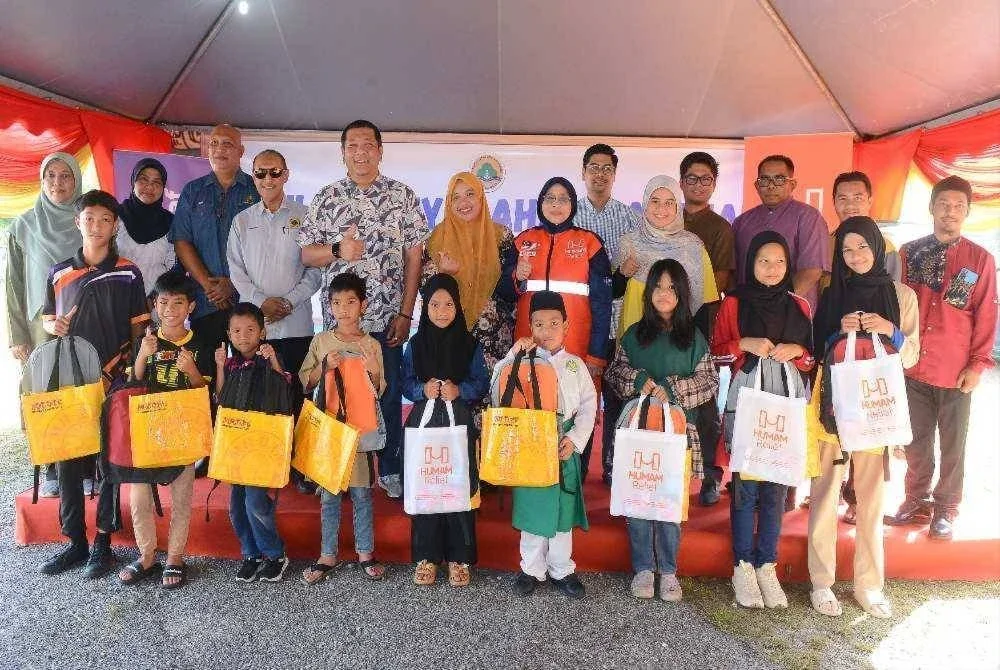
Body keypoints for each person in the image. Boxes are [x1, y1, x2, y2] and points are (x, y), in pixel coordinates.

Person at [299, 120, 429, 499]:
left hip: (387, 321)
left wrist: (406, 313)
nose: (361, 153)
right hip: (340, 325)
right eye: (352, 146)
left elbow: (415, 258)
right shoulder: (327, 198)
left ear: (380, 151)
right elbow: (307, 255)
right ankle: (333, 465)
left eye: (368, 145)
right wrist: (338, 249)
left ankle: (388, 469)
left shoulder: (402, 196)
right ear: (343, 153)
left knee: (386, 394)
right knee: (335, 393)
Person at [809, 216, 919, 619]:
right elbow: (815, 350)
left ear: (877, 248)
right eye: (847, 250)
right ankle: (821, 581)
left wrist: (890, 329)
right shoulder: (832, 292)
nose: (855, 256)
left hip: (875, 407)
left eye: (863, 247)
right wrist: (837, 332)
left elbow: (912, 355)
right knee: (825, 492)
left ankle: (869, 585)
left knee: (871, 499)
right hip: (833, 406)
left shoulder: (902, 295)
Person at [39, 189, 150, 579]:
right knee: (68, 460)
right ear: (78, 222)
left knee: (108, 462)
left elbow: (140, 327)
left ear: (115, 225)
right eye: (89, 218)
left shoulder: (128, 271)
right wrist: (53, 325)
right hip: (70, 380)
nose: (96, 226)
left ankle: (103, 542)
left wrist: (132, 375)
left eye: (105, 219)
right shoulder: (58, 272)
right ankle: (75, 541)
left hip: (113, 379)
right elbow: (47, 318)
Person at [890, 176, 997, 540]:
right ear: (931, 207)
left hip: (955, 369)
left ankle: (946, 508)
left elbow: (987, 315)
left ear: (967, 212)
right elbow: (896, 304)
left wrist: (977, 364)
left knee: (953, 443)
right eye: (944, 204)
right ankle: (915, 500)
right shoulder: (909, 253)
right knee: (915, 440)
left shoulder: (980, 259)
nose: (950, 212)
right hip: (912, 365)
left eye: (958, 206)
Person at [711, 232, 814, 609]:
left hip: (786, 402)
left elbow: (811, 360)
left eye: (779, 261)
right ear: (750, 263)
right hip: (747, 401)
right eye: (763, 261)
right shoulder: (734, 303)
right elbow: (715, 353)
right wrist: (744, 344)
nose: (772, 268)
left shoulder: (799, 306)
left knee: (776, 487)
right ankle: (742, 565)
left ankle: (767, 564)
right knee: (746, 486)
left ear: (789, 266)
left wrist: (798, 350)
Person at [606, 260, 719, 602]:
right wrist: (638, 380)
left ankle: (668, 570)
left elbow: (709, 381)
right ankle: (643, 568)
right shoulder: (634, 334)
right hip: (639, 434)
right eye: (658, 286)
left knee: (669, 502)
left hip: (677, 436)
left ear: (682, 293)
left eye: (671, 287)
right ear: (648, 292)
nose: (664, 293)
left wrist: (672, 388)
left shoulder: (693, 338)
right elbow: (615, 373)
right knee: (639, 499)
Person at [615, 176, 723, 505]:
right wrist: (621, 274)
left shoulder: (693, 245)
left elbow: (705, 300)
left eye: (669, 203)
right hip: (637, 338)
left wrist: (693, 340)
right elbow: (614, 293)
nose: (661, 209)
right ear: (644, 203)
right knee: (635, 415)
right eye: (654, 201)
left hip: (681, 340)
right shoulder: (628, 243)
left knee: (698, 415)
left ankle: (706, 477)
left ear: (678, 207)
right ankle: (622, 474)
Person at [498, 177, 611, 483]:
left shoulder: (590, 244)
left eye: (563, 198)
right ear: (540, 203)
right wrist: (516, 277)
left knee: (578, 412)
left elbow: (603, 305)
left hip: (577, 350)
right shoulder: (523, 242)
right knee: (530, 407)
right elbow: (503, 293)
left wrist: (596, 355)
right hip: (530, 349)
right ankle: (530, 480)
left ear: (573, 204)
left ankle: (573, 481)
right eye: (550, 198)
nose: (556, 204)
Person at [119, 272, 214, 589]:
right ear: (155, 305)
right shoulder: (146, 341)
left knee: (181, 496)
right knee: (139, 495)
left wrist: (192, 371)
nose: (170, 310)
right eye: (163, 303)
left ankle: (175, 558)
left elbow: (204, 393)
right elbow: (134, 383)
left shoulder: (200, 344)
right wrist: (143, 355)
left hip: (183, 429)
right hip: (148, 428)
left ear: (191, 307)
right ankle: (146, 556)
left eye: (178, 303)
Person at [501, 291, 596, 599]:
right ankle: (530, 568)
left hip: (563, 444)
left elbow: (589, 406)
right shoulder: (521, 360)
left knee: (562, 511)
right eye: (539, 324)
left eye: (554, 323)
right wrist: (512, 356)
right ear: (530, 327)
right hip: (531, 443)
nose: (547, 331)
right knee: (533, 507)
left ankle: (561, 568)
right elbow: (498, 387)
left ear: (566, 326)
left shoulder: (575, 365)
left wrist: (575, 440)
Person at [401, 274, 490, 586]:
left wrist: (460, 390)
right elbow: (406, 383)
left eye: (449, 304)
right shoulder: (415, 345)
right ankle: (426, 556)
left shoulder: (470, 345)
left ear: (458, 306)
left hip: (458, 425)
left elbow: (481, 383)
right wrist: (421, 389)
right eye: (434, 304)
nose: (441, 311)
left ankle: (459, 557)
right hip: (423, 426)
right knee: (427, 486)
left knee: (457, 488)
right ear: (425, 308)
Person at [299, 273, 387, 583]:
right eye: (336, 303)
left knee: (362, 494)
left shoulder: (371, 344)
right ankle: (327, 554)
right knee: (329, 496)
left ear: (363, 305)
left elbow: (380, 390)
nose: (344, 309)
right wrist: (325, 365)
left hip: (360, 430)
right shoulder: (322, 341)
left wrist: (373, 371)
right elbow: (305, 380)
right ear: (329, 306)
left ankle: (366, 552)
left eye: (351, 302)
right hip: (330, 430)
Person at [7, 152, 83, 497]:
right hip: (41, 326)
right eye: (50, 176)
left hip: (82, 319)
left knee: (79, 388)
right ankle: (52, 467)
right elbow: (13, 286)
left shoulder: (88, 220)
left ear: (76, 180)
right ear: (41, 180)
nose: (57, 183)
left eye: (65, 176)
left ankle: (83, 466)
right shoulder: (23, 226)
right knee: (45, 392)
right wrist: (17, 336)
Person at [827, 170, 901, 524]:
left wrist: (887, 330)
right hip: (836, 358)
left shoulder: (889, 251)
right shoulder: (828, 243)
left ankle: (859, 497)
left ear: (870, 200)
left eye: (857, 197)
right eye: (842, 198)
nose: (850, 204)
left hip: (875, 366)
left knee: (870, 429)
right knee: (833, 431)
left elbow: (897, 309)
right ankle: (828, 491)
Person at [572, 144, 640, 487]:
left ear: (615, 174)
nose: (600, 174)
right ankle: (575, 467)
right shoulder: (571, 216)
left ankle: (614, 464)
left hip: (620, 322)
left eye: (607, 169)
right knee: (580, 399)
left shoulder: (629, 217)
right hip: (582, 324)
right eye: (594, 168)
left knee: (617, 398)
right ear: (583, 172)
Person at [214, 302, 292, 583]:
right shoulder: (230, 364)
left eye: (250, 329)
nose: (243, 336)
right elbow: (221, 398)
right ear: (228, 334)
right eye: (236, 331)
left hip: (261, 445)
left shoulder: (269, 357)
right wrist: (219, 367)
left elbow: (284, 386)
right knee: (236, 506)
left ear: (262, 332)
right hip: (236, 445)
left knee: (256, 502)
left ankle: (275, 554)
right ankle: (251, 553)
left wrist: (273, 361)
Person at [169, 124, 260, 349]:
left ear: (241, 151)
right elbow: (182, 241)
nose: (220, 149)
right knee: (207, 367)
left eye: (227, 144)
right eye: (214, 144)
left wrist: (234, 284)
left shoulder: (256, 189)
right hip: (206, 302)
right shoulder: (193, 191)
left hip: (249, 301)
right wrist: (210, 288)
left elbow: (264, 246)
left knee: (251, 367)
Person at [423, 171, 515, 370]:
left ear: (481, 197)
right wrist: (445, 275)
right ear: (449, 203)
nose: (463, 202)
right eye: (455, 197)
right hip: (450, 337)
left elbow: (511, 289)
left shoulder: (501, 236)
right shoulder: (437, 239)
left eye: (470, 194)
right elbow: (426, 291)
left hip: (496, 340)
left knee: (496, 389)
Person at [732, 155, 830, 311]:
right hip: (748, 312)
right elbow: (735, 274)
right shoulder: (741, 222)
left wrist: (777, 308)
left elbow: (811, 271)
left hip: (792, 312)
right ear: (757, 185)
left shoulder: (808, 217)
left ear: (793, 184)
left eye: (779, 179)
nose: (771, 186)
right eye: (764, 180)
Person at [116, 157, 177, 298]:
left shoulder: (171, 222)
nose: (149, 187)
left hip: (155, 301)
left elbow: (174, 267)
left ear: (163, 188)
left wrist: (154, 297)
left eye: (157, 182)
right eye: (143, 179)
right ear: (133, 182)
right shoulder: (115, 217)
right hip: (117, 298)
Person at [680, 151, 736, 296]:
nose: (698, 185)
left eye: (705, 179)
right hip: (665, 304)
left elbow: (720, 280)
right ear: (681, 183)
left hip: (704, 307)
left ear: (714, 185)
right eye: (692, 178)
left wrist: (687, 304)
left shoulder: (722, 227)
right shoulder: (668, 220)